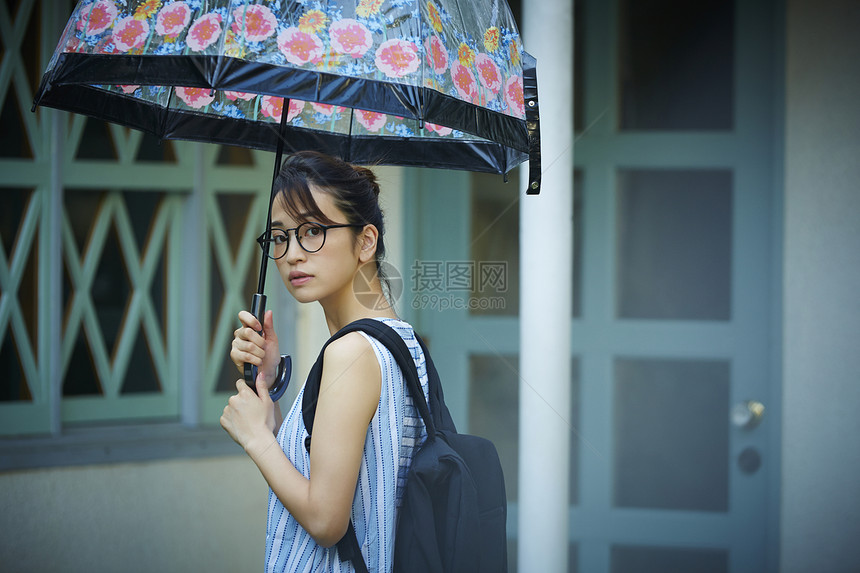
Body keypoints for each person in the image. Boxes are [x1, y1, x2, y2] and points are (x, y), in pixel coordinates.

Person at [220, 151, 429, 573]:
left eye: (312, 231)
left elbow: (326, 520)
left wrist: (255, 438)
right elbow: (340, 474)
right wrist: (271, 384)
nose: (293, 253)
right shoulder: (399, 340)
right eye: (279, 237)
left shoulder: (350, 352)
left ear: (366, 241)